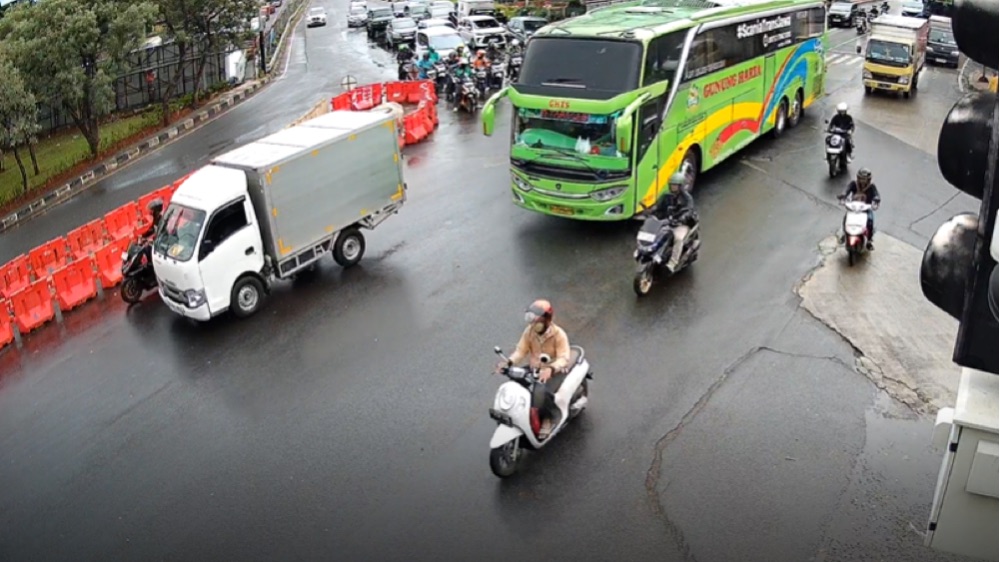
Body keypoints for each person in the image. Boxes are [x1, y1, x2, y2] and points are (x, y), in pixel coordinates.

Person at [495, 299, 571, 439]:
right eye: (532, 319)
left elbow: (564, 358)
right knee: (515, 381)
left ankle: (549, 417)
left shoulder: (559, 335)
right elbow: (521, 351)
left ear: (547, 320)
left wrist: (551, 369)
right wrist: (509, 362)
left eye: (537, 320)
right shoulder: (529, 332)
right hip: (534, 368)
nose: (533, 323)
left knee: (540, 391)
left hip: (553, 371)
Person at [651, 172, 698, 273]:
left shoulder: (687, 198)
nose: (673, 187)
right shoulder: (666, 196)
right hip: (668, 221)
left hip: (681, 224)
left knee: (678, 239)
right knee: (655, 234)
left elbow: (689, 210)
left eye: (675, 185)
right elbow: (657, 207)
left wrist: (683, 218)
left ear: (681, 186)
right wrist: (650, 212)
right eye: (671, 184)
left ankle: (672, 264)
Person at [838, 168, 881, 249]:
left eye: (864, 179)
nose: (862, 181)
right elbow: (846, 190)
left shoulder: (872, 187)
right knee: (846, 218)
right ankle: (844, 234)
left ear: (868, 179)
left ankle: (869, 240)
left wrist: (876, 199)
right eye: (861, 179)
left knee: (870, 220)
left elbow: (876, 195)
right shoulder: (853, 184)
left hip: (866, 208)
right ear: (858, 178)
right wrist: (843, 195)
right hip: (854, 207)